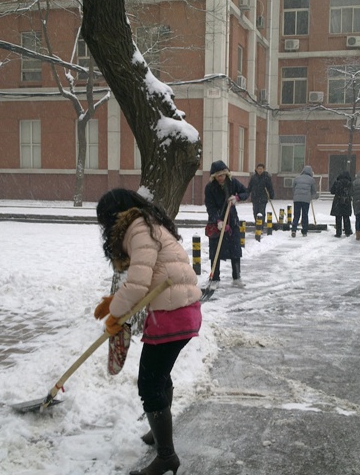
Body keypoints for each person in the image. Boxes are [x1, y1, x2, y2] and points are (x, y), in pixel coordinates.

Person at [94, 188, 202, 475]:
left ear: (114, 216)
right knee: (159, 376)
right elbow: (147, 277)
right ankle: (159, 433)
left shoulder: (138, 229)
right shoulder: (148, 225)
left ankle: (167, 456)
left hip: (172, 314)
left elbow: (139, 285)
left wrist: (115, 314)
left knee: (149, 384)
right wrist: (113, 303)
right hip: (180, 311)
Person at [204, 160, 249, 288]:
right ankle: (214, 278)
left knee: (235, 250)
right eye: (218, 176)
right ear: (214, 176)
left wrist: (237, 198)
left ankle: (237, 277)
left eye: (223, 175)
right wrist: (218, 220)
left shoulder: (232, 183)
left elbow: (246, 192)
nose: (221, 178)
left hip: (231, 220)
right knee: (215, 251)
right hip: (216, 223)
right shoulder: (210, 188)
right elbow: (210, 206)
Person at [290, 165, 317, 237]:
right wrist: (311, 197)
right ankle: (304, 231)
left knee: (296, 215)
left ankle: (294, 229)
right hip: (306, 200)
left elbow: (293, 188)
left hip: (297, 199)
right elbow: (314, 191)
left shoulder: (297, 178)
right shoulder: (311, 180)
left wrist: (296, 195)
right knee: (305, 215)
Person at [330, 171, 353, 238]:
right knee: (346, 217)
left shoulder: (337, 182)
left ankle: (338, 232)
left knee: (338, 217)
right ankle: (347, 231)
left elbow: (332, 191)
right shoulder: (349, 183)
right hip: (346, 201)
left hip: (338, 201)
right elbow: (352, 192)